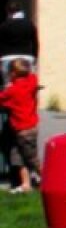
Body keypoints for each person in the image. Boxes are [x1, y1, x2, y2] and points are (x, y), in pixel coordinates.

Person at [0, 58, 40, 193]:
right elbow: (34, 77)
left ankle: (48, 179)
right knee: (18, 156)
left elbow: (2, 99)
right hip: (29, 128)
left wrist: (8, 87)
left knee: (31, 159)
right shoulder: (31, 82)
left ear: (12, 74)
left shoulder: (12, 91)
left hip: (23, 130)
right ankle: (26, 184)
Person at [0, 1, 39, 79]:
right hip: (26, 56)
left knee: (8, 85)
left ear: (9, 12)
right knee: (26, 83)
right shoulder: (29, 24)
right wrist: (35, 57)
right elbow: (35, 42)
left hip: (8, 57)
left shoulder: (4, 26)